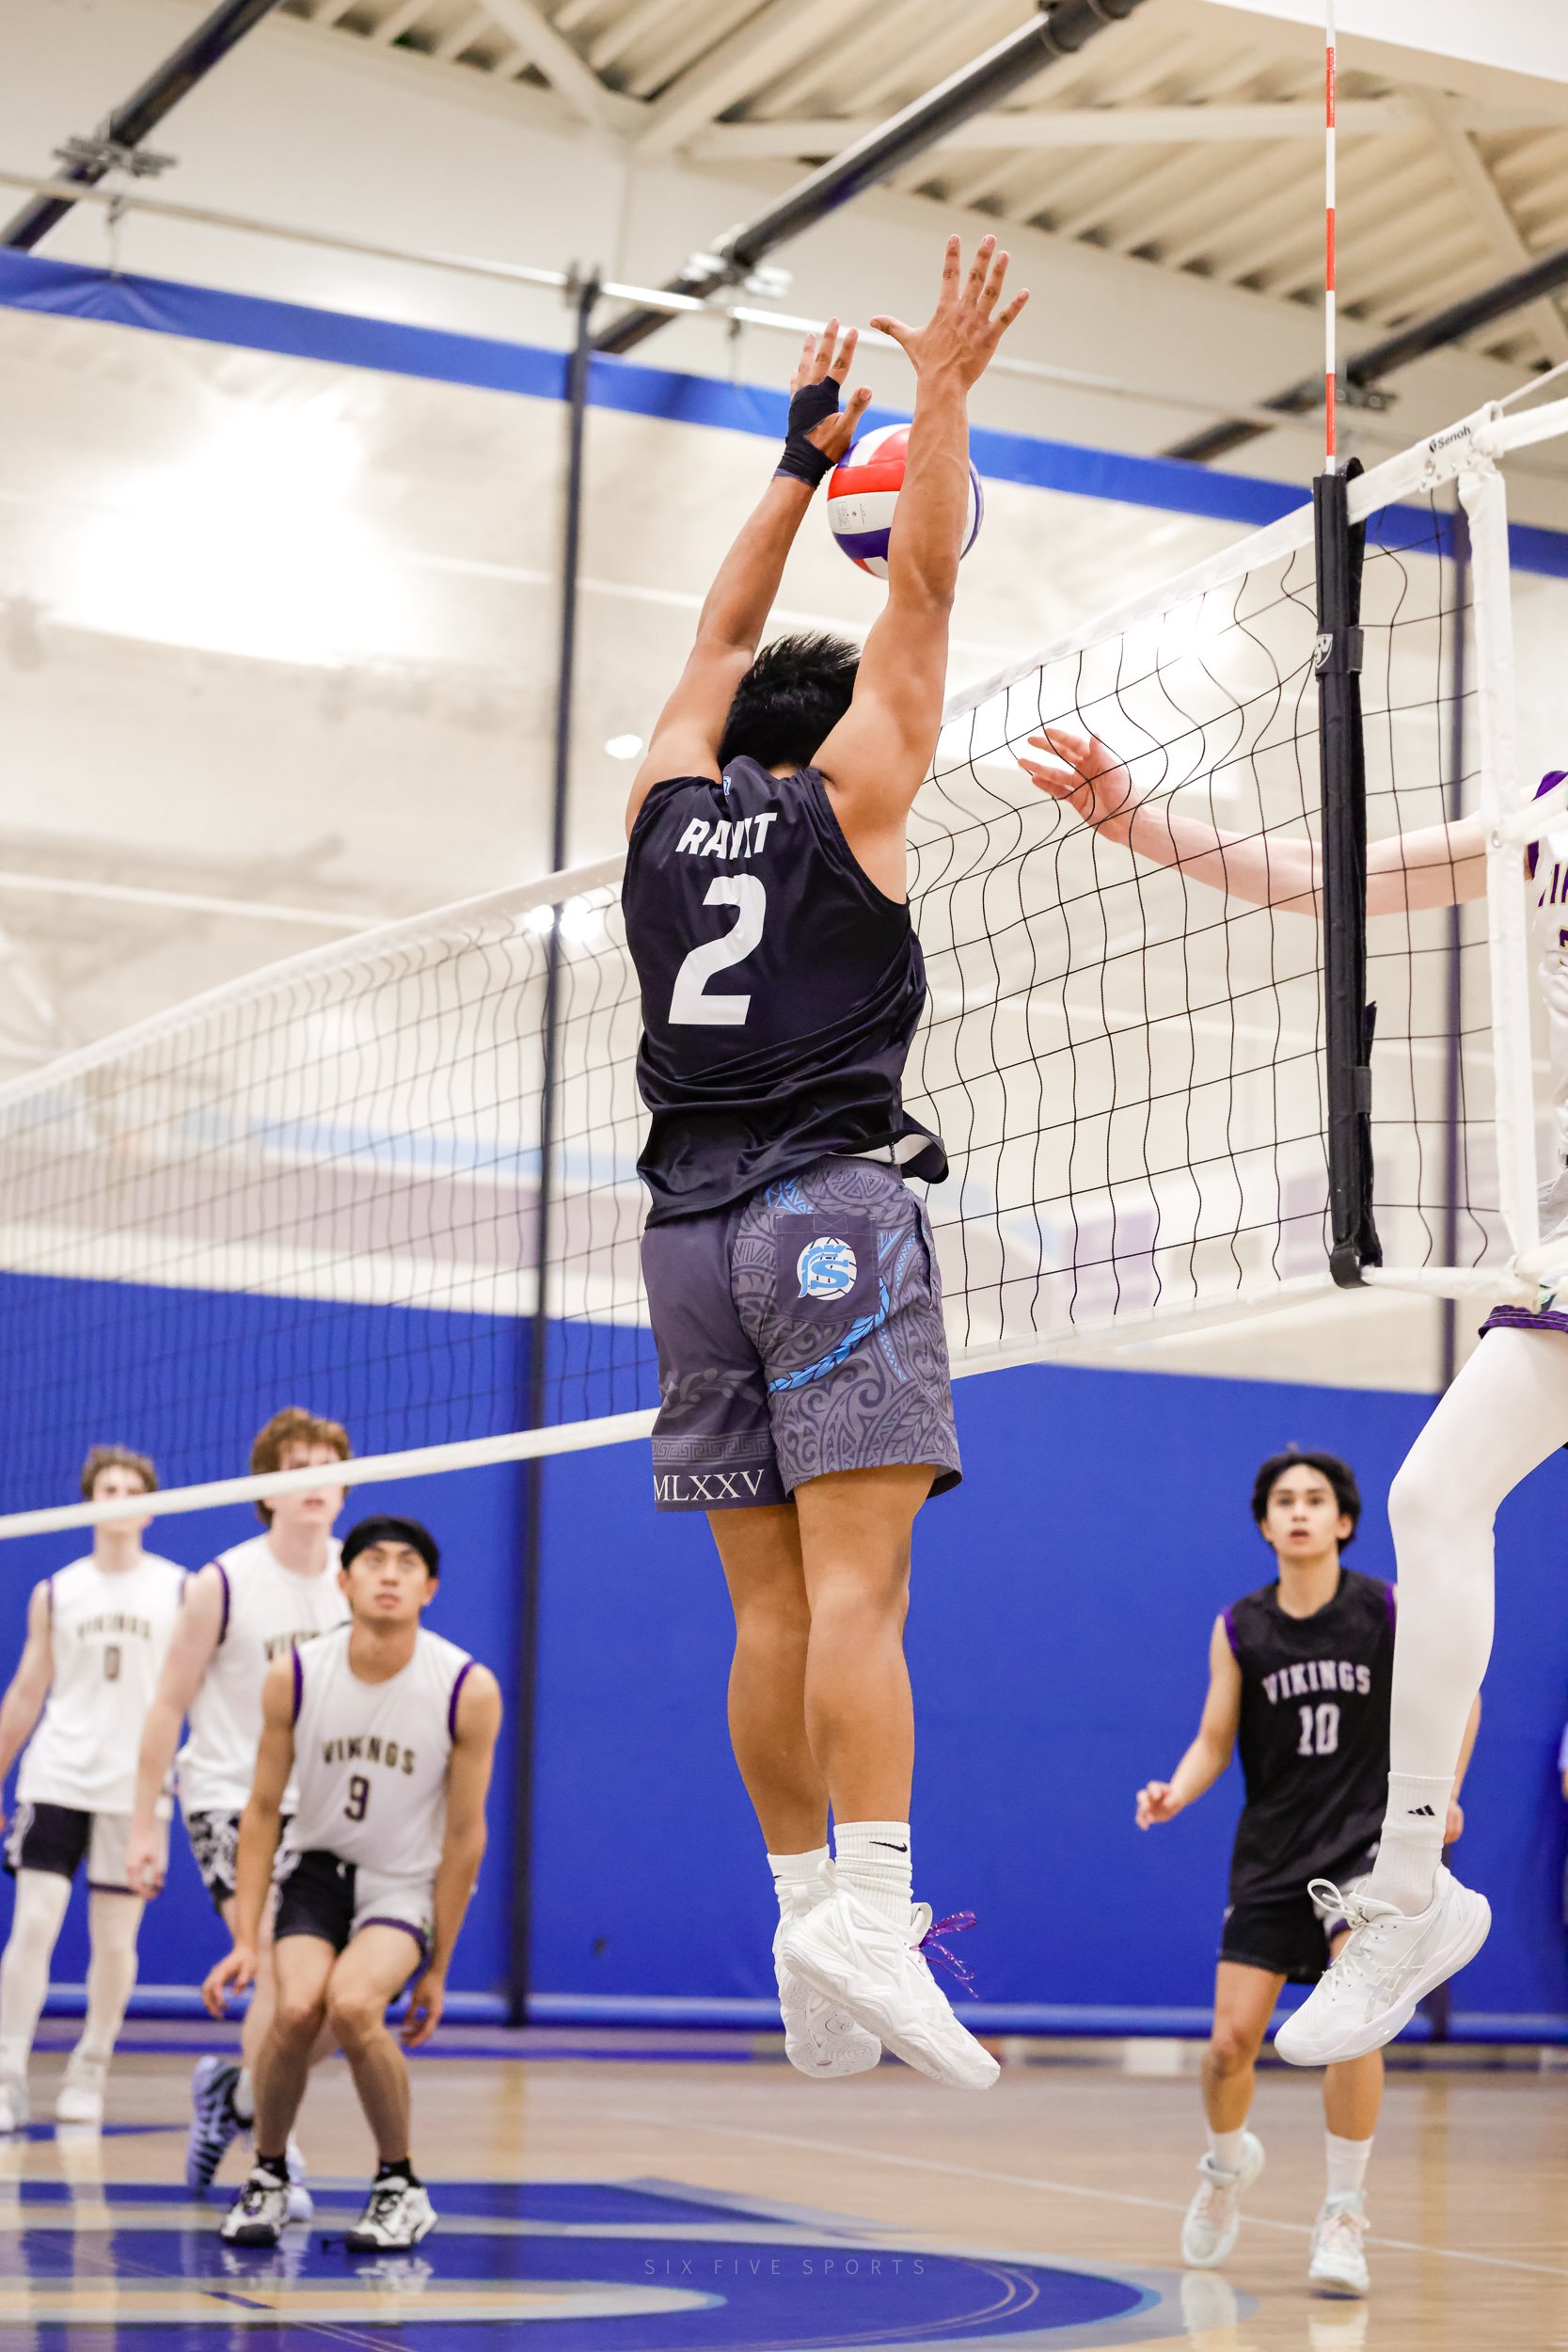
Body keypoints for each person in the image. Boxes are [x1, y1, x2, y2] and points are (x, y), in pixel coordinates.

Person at [621, 236, 1026, 2090]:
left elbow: (713, 645)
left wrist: (797, 459)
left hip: (682, 1238)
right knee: (859, 1600)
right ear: (836, 733)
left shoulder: (656, 804)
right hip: (824, 1216)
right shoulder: (857, 802)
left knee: (766, 1610)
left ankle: (800, 1925)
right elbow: (922, 583)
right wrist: (935, 399)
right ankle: (872, 1911)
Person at [1022, 723, 1522, 2058]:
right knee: (1432, 1497)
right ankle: (1407, 1891)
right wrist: (1136, 822)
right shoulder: (1538, 818)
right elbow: (1323, 878)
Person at [1136, 1448, 1478, 2299]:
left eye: (1314, 1499)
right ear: (1264, 1524)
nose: (1297, 1511)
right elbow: (1214, 1738)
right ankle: (1224, 2169)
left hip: (1365, 1846)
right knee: (1228, 2045)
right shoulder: (1240, 1627)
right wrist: (1175, 1789)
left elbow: (1460, 1693)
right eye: (1282, 1500)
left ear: (1343, 1520)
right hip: (1272, 1853)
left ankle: (1343, 2213)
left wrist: (1443, 1794)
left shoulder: (1385, 1610)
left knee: (1355, 2022)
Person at [202, 1515, 499, 2252]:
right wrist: (245, 1939)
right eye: (372, 1561)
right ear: (343, 1581)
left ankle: (400, 2185)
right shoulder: (297, 1674)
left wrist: (439, 1968)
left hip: (401, 1884)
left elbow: (465, 1837)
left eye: (406, 1563)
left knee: (355, 2004)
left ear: (430, 1588)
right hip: (315, 1874)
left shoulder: (465, 1686)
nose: (388, 1573)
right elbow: (261, 1810)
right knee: (295, 2008)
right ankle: (268, 2175)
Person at [129, 1406, 352, 2201]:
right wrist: (145, 1821)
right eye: (296, 1468)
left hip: (324, 1810)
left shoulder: (358, 1579)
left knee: (344, 1999)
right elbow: (166, 1705)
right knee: (279, 1969)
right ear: (266, 1488)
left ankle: (240, 2096)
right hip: (230, 1800)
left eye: (327, 1467)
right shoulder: (220, 1583)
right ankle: (271, 2160)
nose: (314, 1482)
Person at [0, 1446, 184, 2130]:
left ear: (152, 1507)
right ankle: (8, 2072)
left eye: (133, 1490)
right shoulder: (58, 1590)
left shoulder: (180, 1589)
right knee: (35, 1922)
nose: (120, 1500)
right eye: (108, 1489)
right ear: (88, 1502)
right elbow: (27, 1690)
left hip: (135, 1788)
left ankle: (91, 2066)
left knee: (113, 1941)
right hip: (57, 1774)